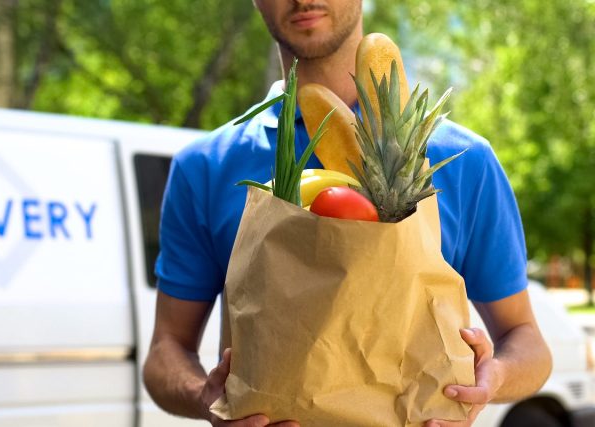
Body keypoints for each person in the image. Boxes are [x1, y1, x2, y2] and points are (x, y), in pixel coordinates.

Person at [143, 1, 552, 426]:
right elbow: (165, 351)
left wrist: (493, 377)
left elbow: (526, 341)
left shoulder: (462, 160)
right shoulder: (204, 166)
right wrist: (204, 398)